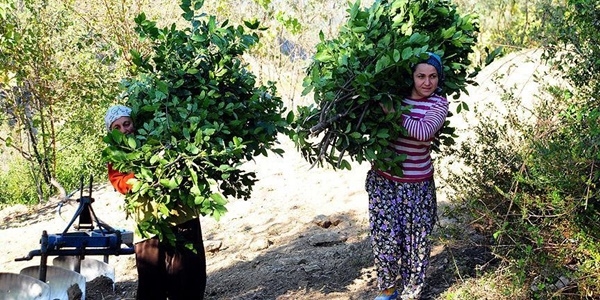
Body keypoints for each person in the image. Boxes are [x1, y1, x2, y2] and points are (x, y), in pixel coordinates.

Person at [365, 53, 449, 300]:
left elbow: (423, 132)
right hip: (384, 180)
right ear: (411, 77)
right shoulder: (395, 99)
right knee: (385, 239)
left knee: (417, 244)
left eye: (432, 76)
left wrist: (394, 113)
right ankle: (388, 290)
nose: (427, 82)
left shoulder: (438, 104)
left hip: (417, 186)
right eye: (420, 76)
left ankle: (411, 293)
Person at [104, 104, 207, 300]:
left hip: (181, 215)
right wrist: (142, 179)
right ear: (111, 132)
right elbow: (119, 182)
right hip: (149, 223)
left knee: (188, 277)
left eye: (126, 123)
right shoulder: (114, 155)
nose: (124, 130)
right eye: (117, 127)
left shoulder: (158, 139)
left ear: (134, 123)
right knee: (152, 284)